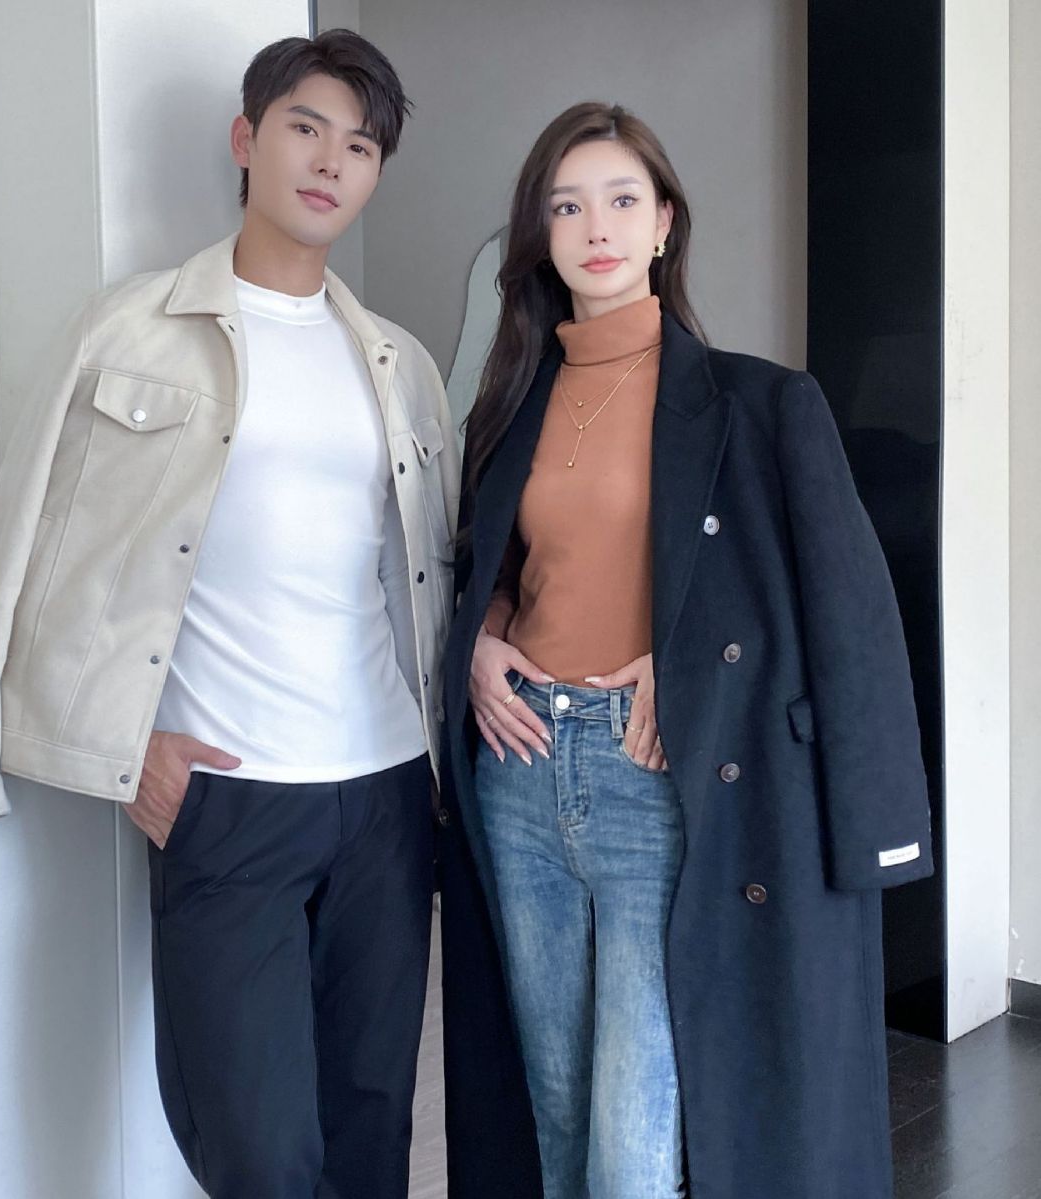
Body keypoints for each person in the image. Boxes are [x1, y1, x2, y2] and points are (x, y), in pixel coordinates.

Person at [0, 29, 459, 1199]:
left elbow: (427, 570)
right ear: (246, 138)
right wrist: (121, 747)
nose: (328, 161)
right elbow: (33, 545)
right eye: (304, 128)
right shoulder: (128, 330)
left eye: (359, 146)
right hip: (228, 793)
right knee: (256, 1148)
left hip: (385, 788)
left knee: (370, 1130)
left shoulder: (398, 362)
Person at [438, 101, 933, 1199]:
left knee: (633, 1142)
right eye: (566, 206)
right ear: (540, 235)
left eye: (621, 200)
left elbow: (846, 615)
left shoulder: (761, 403)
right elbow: (490, 565)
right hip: (520, 772)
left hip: (653, 781)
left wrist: (695, 662)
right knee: (551, 1109)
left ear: (663, 223)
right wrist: (479, 641)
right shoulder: (509, 404)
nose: (595, 227)